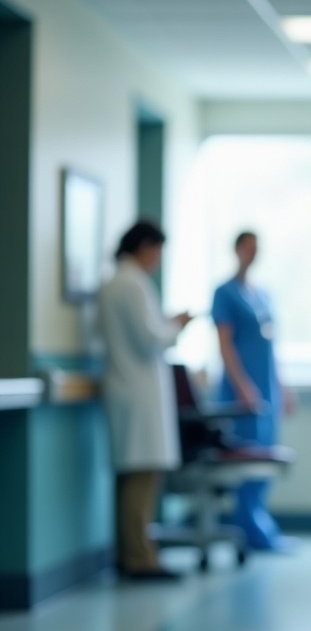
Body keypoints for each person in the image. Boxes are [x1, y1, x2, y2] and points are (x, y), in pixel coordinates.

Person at [98, 220, 192, 580]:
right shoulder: (131, 285)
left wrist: (164, 325)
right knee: (141, 478)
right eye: (157, 251)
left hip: (129, 390)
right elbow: (151, 338)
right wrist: (177, 324)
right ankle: (140, 558)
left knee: (135, 476)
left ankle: (134, 552)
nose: (159, 259)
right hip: (137, 394)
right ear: (145, 247)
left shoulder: (118, 284)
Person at [211, 231, 294, 552]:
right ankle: (247, 528)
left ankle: (259, 523)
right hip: (240, 392)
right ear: (236, 250)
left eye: (256, 248)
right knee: (246, 459)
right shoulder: (225, 293)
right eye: (247, 247)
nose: (252, 253)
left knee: (265, 457)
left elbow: (271, 346)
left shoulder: (263, 295)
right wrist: (243, 386)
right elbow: (225, 344)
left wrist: (282, 386)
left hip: (267, 389)